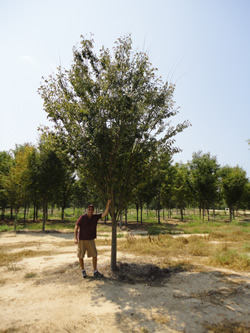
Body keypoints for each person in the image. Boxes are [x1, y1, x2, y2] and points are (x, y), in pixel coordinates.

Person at [74, 200, 111, 278]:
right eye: (89, 209)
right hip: (82, 239)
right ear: (87, 210)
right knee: (80, 256)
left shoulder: (95, 217)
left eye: (92, 209)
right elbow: (76, 227)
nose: (90, 211)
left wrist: (108, 205)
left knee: (94, 255)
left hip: (91, 240)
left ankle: (95, 271)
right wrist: (75, 238)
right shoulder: (82, 218)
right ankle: (83, 271)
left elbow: (104, 214)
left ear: (93, 211)